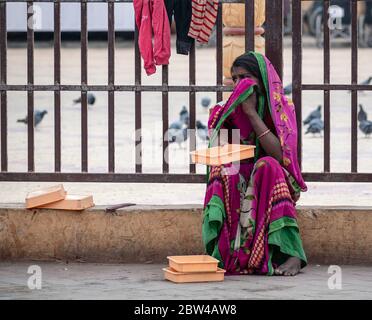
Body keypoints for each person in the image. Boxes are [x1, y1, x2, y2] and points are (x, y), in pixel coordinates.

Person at [202, 51, 308, 276]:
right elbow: (223, 151)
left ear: (260, 80)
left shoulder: (280, 110)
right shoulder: (224, 109)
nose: (240, 84)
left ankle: (292, 254)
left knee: (267, 164)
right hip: (240, 175)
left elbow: (281, 157)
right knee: (224, 169)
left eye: (245, 77)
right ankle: (229, 253)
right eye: (235, 79)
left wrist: (251, 113)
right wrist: (231, 116)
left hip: (273, 179)